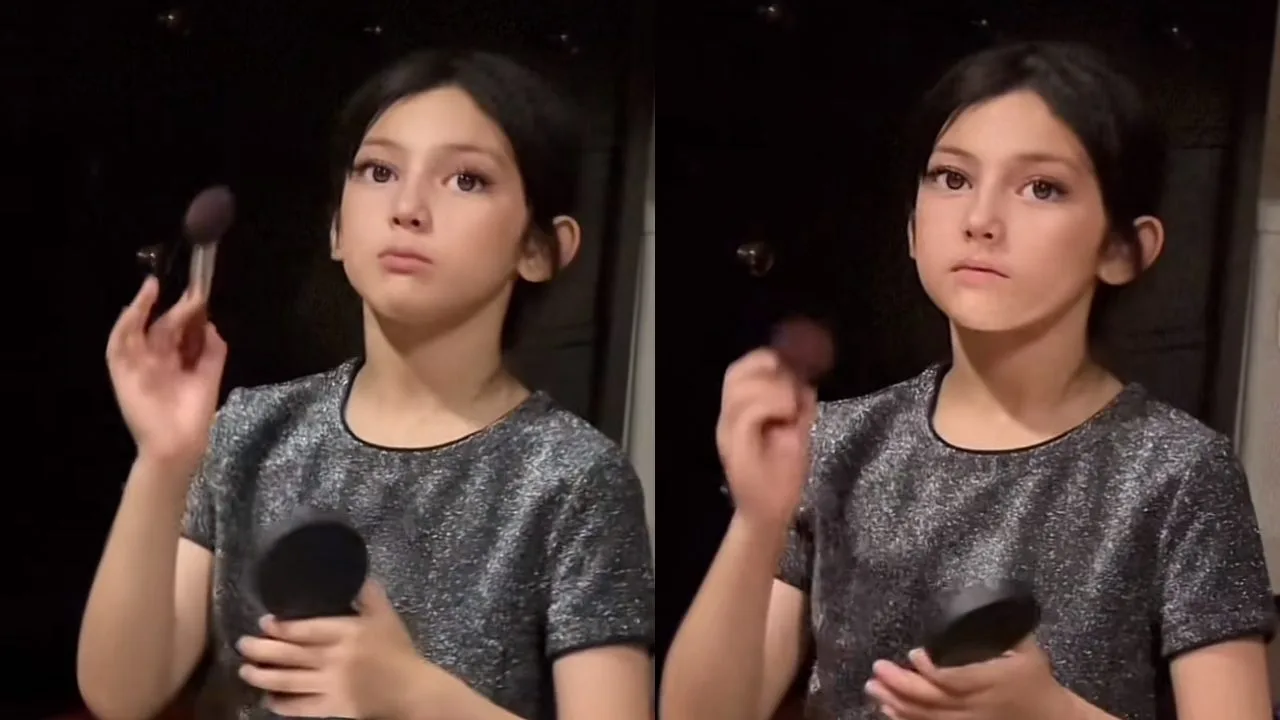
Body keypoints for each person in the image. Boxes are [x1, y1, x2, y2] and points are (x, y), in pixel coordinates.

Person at [660, 41, 1275, 720]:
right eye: (951, 178)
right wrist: (758, 522)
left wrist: (1052, 714)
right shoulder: (839, 443)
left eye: (1042, 188)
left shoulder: (1179, 472)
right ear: (912, 228)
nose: (980, 220)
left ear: (1123, 250)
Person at [77, 49, 655, 720]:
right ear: (335, 229)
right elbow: (121, 695)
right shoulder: (252, 430)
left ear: (540, 249)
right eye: (379, 171)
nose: (407, 207)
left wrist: (413, 695)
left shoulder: (575, 477)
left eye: (467, 180)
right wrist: (163, 461)